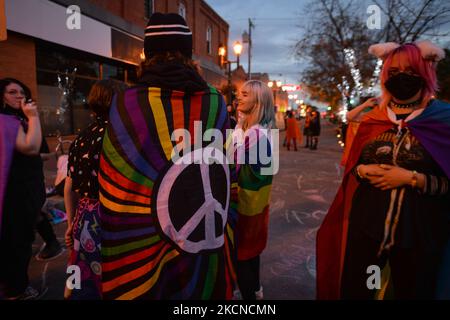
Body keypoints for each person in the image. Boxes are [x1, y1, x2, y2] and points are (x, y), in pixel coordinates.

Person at [98, 13, 236, 300]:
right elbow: (225, 168)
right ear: (188, 53)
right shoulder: (214, 102)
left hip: (142, 238)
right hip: (200, 235)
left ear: (148, 54)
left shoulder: (127, 103)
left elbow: (114, 175)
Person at [317, 41, 450, 299]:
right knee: (361, 291)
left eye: (410, 71)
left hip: (419, 238)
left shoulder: (443, 121)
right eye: (394, 71)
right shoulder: (372, 120)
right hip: (367, 232)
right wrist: (363, 171)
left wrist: (413, 178)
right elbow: (352, 172)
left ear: (425, 73)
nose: (402, 77)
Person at [64, 79, 126, 300]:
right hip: (113, 218)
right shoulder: (121, 136)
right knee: (114, 281)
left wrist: (71, 223)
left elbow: (69, 185)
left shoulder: (81, 137)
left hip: (84, 217)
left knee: (82, 275)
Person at [0, 78, 46, 299]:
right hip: (14, 193)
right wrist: (34, 116)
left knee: (23, 239)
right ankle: (15, 289)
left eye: (21, 91)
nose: (19, 96)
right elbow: (30, 147)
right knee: (17, 242)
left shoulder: (19, 118)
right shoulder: (5, 120)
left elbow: (40, 151)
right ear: (2, 97)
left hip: (28, 189)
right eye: (11, 92)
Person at [234, 80, 275, 300]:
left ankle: (251, 295)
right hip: (247, 205)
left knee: (243, 255)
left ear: (258, 102)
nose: (239, 97)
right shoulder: (243, 128)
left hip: (248, 206)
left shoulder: (258, 136)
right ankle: (255, 290)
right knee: (250, 254)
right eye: (239, 93)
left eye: (245, 94)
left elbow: (245, 173)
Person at [340, 96, 379, 167]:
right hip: (362, 150)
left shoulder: (381, 113)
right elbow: (349, 116)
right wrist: (365, 104)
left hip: (374, 151)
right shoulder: (365, 114)